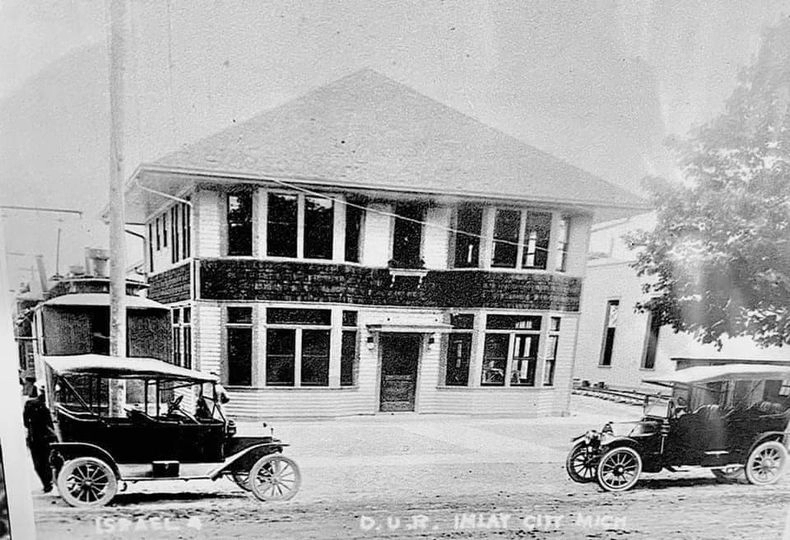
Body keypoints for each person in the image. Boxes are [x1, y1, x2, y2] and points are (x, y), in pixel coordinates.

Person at [23, 381, 57, 493]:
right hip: (50, 438)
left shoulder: (30, 404)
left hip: (36, 438)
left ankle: (47, 484)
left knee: (39, 463)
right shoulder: (54, 405)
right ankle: (52, 483)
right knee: (51, 462)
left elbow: (26, 423)